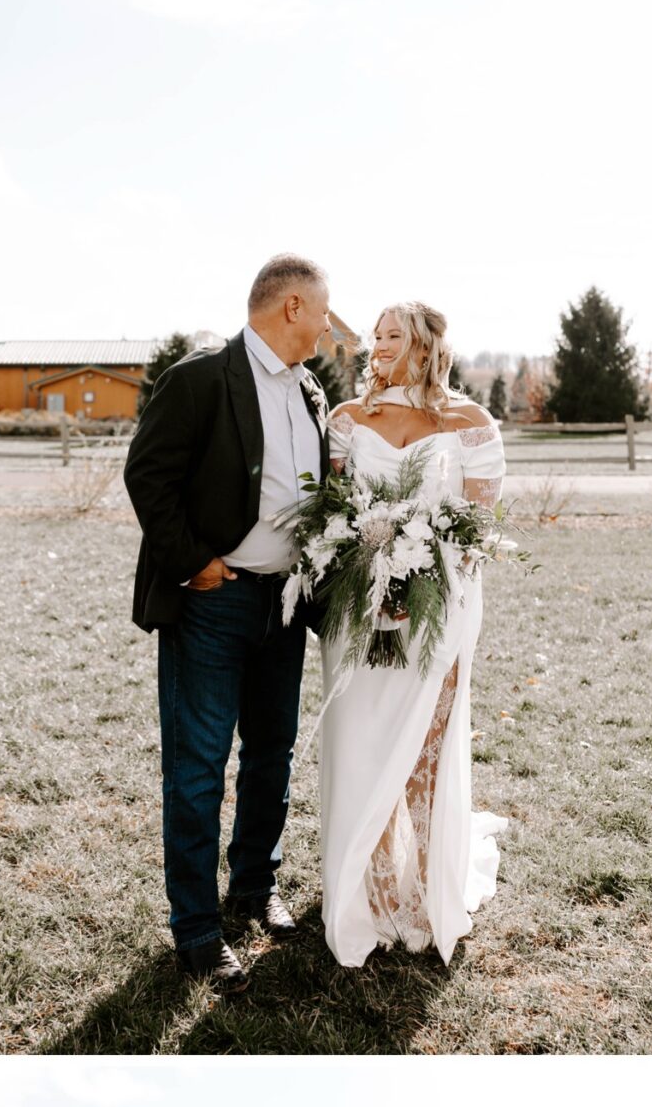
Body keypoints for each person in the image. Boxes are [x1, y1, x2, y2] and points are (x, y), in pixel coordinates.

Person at [122, 255, 334, 995]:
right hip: (212, 601)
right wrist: (195, 563)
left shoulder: (310, 390)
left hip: (285, 603)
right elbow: (146, 474)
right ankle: (197, 932)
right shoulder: (200, 377)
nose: (328, 326)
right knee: (197, 768)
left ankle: (253, 887)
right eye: (323, 312)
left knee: (271, 755)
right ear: (290, 307)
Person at [317, 302, 507, 966]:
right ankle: (365, 898)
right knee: (361, 748)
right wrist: (370, 575)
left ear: (424, 346)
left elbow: (478, 528)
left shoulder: (470, 423)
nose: (377, 346)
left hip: (438, 610)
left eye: (391, 336)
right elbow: (333, 513)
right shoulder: (347, 420)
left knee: (422, 751)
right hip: (357, 614)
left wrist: (417, 578)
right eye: (373, 337)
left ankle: (426, 895)